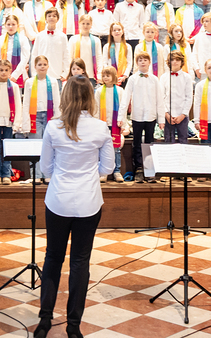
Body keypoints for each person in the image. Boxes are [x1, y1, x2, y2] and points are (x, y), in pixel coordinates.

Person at [35, 75, 114, 338]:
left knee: (53, 257)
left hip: (59, 199)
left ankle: (45, 321)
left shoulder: (53, 127)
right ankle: (73, 325)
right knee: (80, 261)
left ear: (65, 96)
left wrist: (63, 172)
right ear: (91, 97)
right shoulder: (100, 128)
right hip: (88, 201)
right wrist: (88, 173)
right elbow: (108, 167)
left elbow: (45, 168)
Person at [120, 53, 161, 183]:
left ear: (149, 62)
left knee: (149, 143)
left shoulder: (155, 79)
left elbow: (160, 100)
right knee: (137, 143)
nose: (143, 62)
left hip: (151, 116)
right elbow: (125, 98)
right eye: (140, 60)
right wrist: (121, 117)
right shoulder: (133, 79)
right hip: (137, 116)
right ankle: (138, 169)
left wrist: (161, 119)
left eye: (145, 60)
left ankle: (149, 170)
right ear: (137, 63)